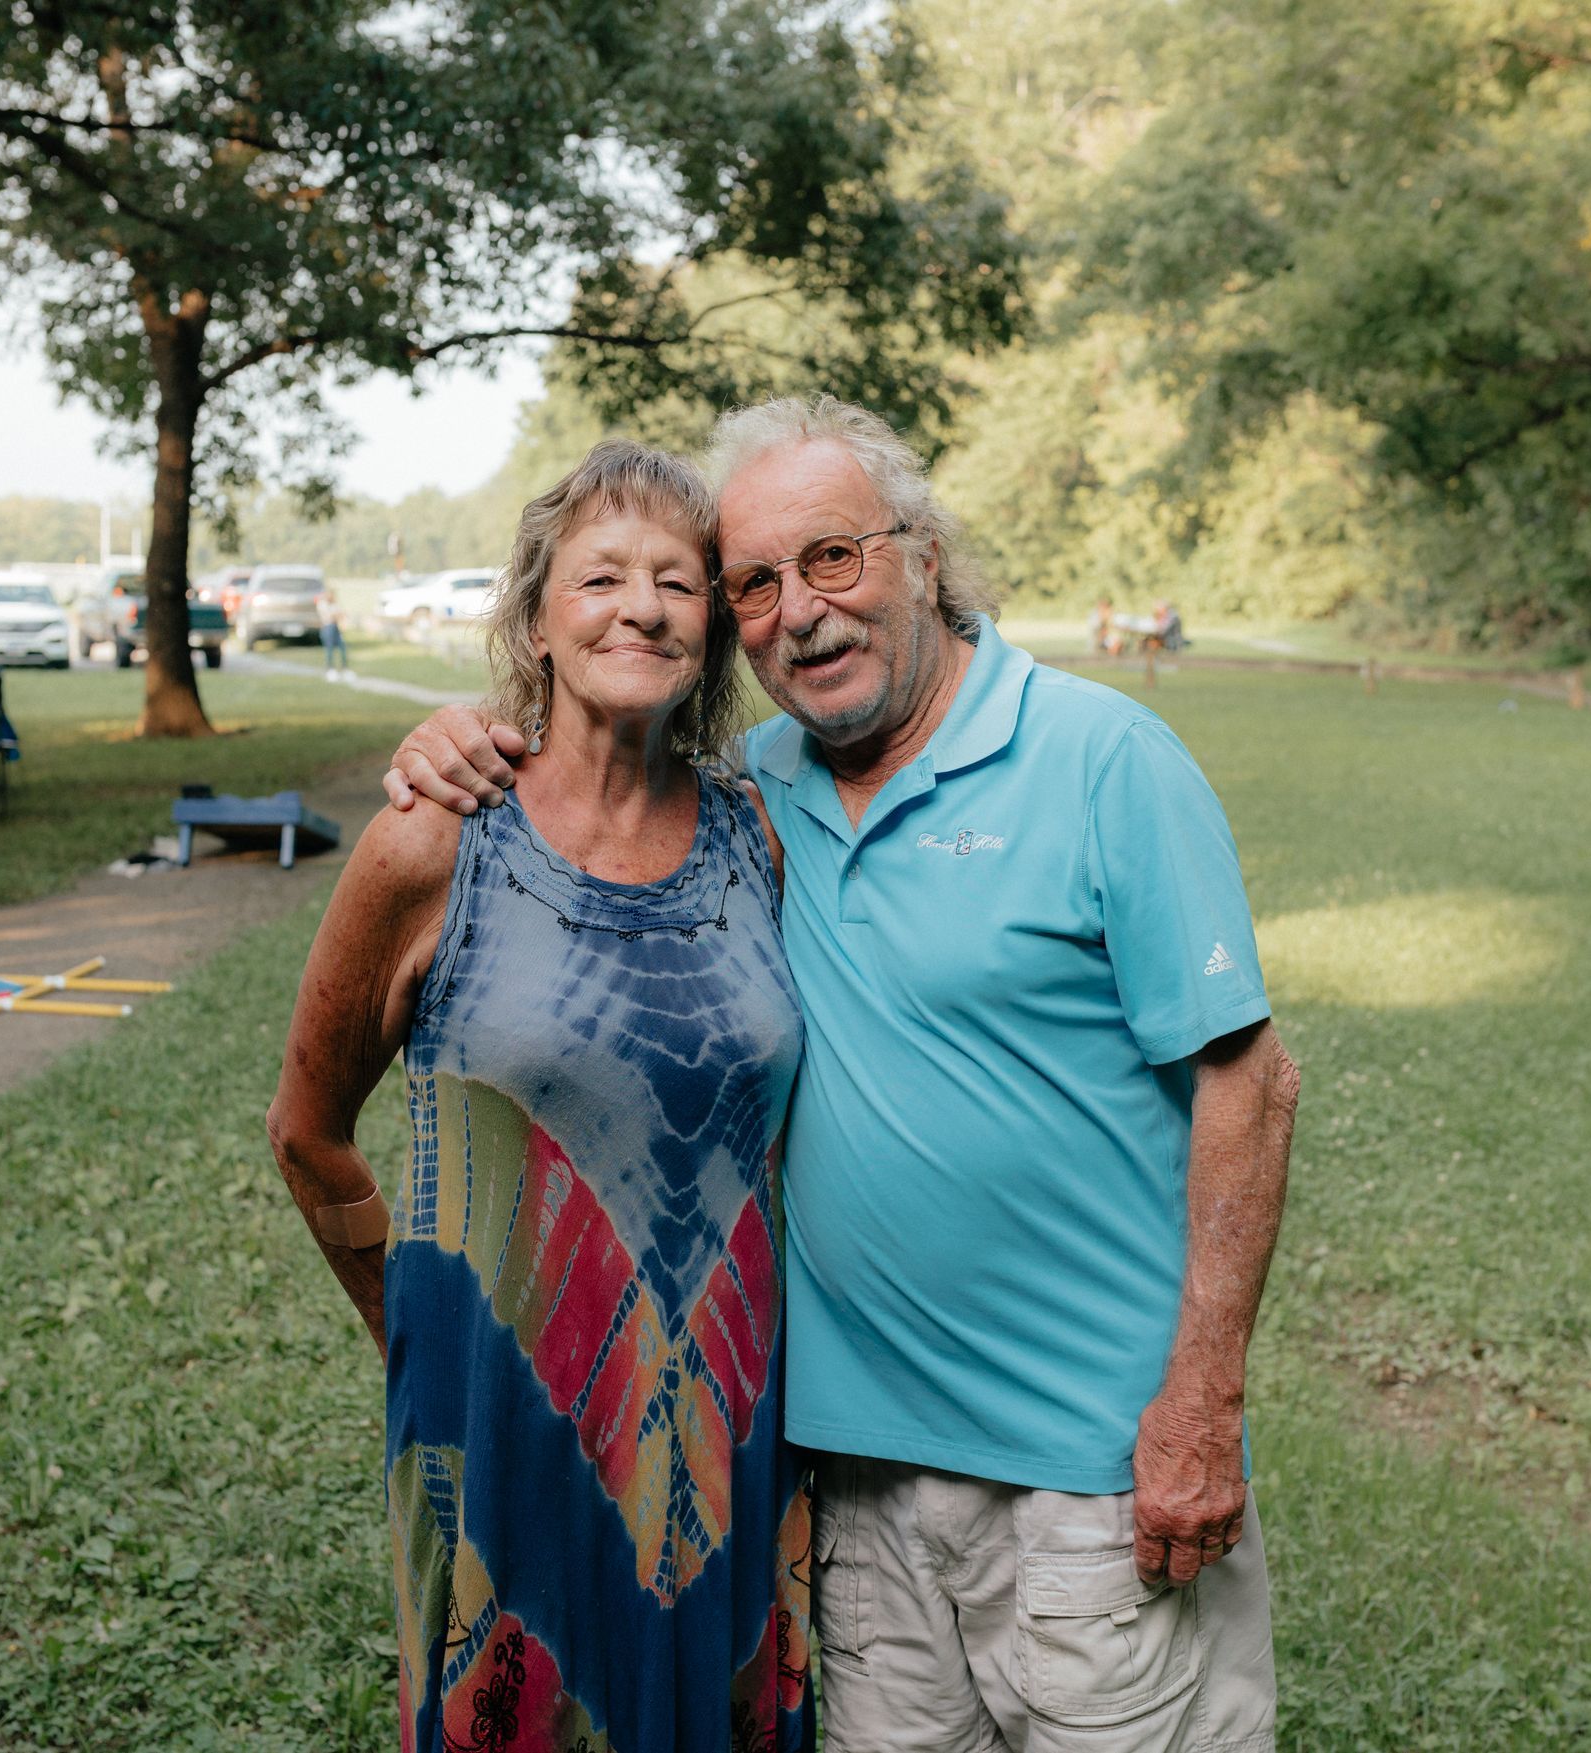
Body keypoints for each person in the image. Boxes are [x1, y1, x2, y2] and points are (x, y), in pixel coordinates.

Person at [384, 396, 1300, 1752]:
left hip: (1094, 1484)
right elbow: (589, 780)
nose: (801, 610)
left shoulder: (1103, 759)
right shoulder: (751, 798)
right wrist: (458, 736)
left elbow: (1252, 1085)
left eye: (836, 557)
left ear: (923, 556)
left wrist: (1200, 1411)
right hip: (849, 1487)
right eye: (753, 581)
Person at [266, 440, 812, 1752]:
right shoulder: (435, 842)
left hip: (735, 1435)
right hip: (501, 1426)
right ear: (535, 620)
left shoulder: (761, 839)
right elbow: (307, 1132)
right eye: (602, 578)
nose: (642, 607)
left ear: (714, 629)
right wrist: (416, 1332)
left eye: (678, 582)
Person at [317, 591, 352, 678]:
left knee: (343, 647)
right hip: (327, 628)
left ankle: (345, 669)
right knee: (329, 649)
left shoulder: (335, 605)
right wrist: (338, 615)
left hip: (336, 628)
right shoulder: (322, 604)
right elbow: (331, 616)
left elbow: (342, 614)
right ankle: (329, 669)